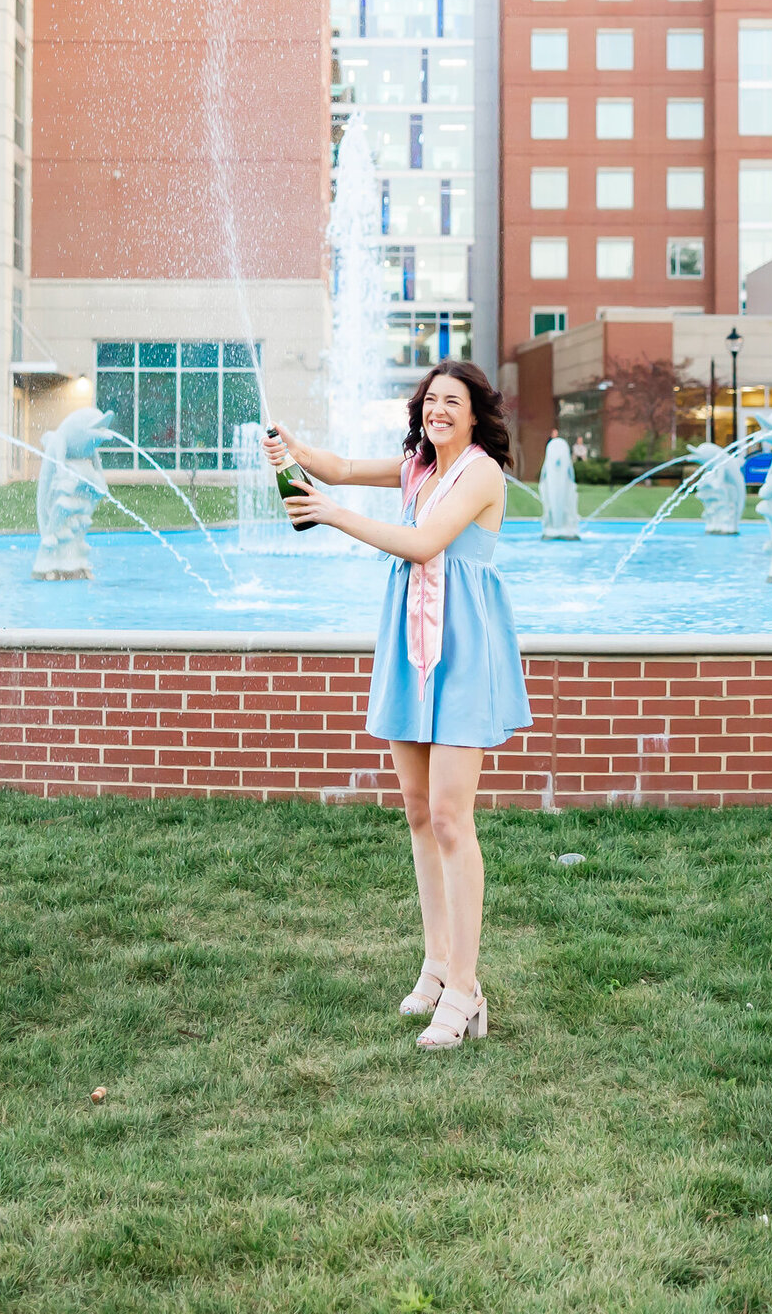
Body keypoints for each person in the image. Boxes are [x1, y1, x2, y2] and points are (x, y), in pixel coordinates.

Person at [262, 360, 531, 1050]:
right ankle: (437, 965)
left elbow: (422, 543)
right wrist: (292, 453)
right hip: (411, 645)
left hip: (464, 650)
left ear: (475, 416)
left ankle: (468, 989)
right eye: (431, 400)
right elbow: (344, 466)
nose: (439, 409)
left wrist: (330, 513)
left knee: (449, 815)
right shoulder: (418, 465)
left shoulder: (479, 474)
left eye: (453, 401)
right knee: (416, 810)